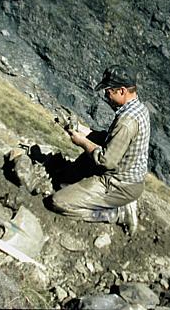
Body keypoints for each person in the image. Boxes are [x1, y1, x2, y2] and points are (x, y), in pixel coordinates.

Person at [49, 65, 150, 235]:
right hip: (129, 176)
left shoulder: (126, 122)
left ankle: (118, 213)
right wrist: (83, 130)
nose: (106, 95)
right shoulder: (139, 109)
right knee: (63, 182)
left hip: (118, 184)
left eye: (109, 91)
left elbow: (107, 161)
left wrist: (81, 142)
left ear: (122, 91)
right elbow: (111, 140)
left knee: (59, 201)